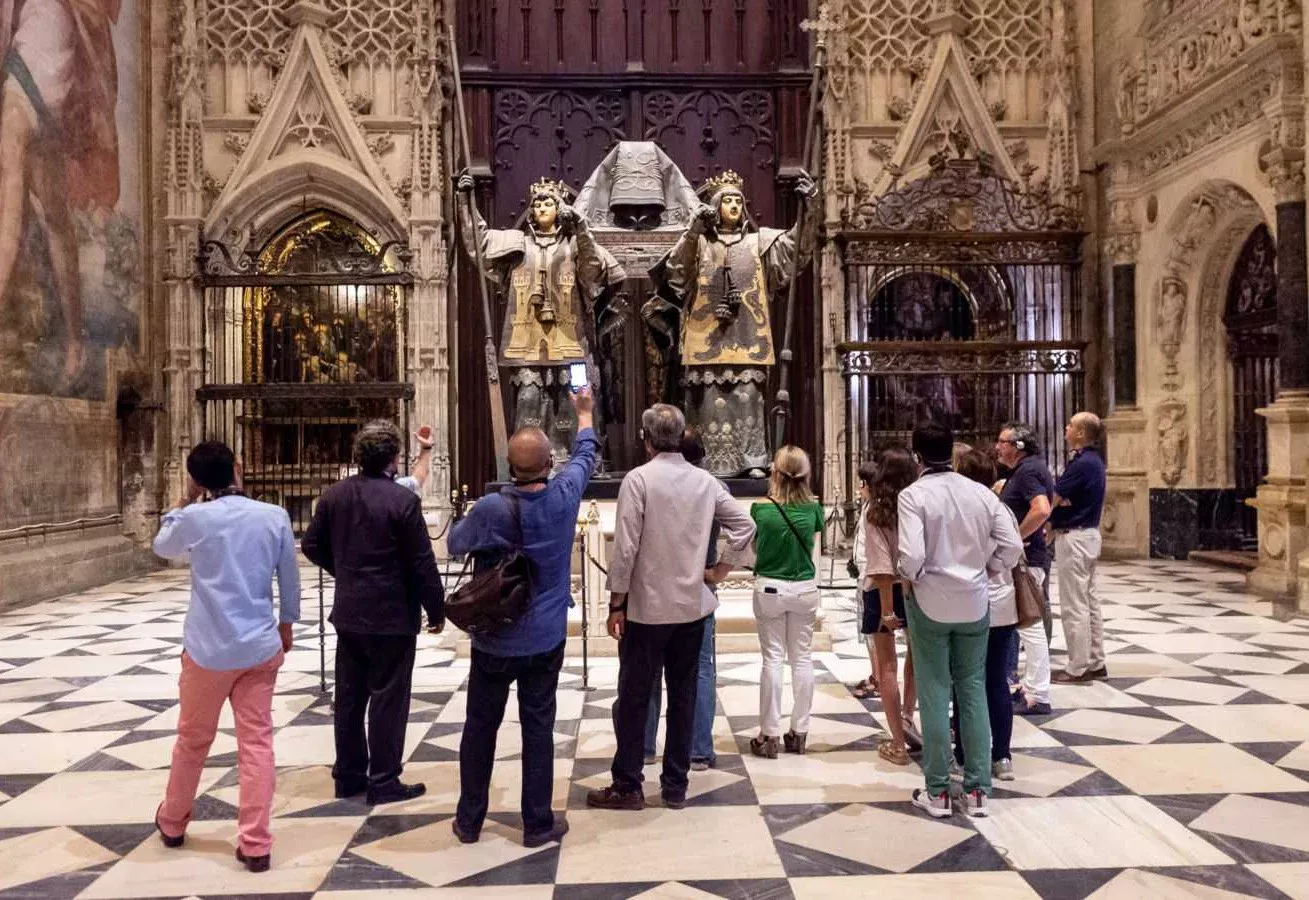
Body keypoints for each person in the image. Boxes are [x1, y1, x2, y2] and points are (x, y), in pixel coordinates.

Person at [446, 387, 600, 847]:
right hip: (545, 637)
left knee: (480, 728)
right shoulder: (564, 496)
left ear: (510, 468)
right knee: (538, 729)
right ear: (548, 463)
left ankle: (470, 820)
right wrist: (584, 413)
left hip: (495, 638)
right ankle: (536, 823)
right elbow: (587, 455)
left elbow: (455, 543)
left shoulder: (493, 507)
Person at [587, 403, 756, 810]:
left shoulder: (639, 480)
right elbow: (745, 525)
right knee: (683, 695)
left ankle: (628, 784)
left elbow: (626, 549)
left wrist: (616, 603)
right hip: (691, 608)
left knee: (634, 696)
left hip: (646, 610)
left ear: (645, 440)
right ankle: (675, 785)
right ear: (680, 438)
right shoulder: (705, 481)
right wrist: (718, 571)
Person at [152, 442, 299, 873]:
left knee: (193, 739)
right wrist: (286, 625)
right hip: (258, 645)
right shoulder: (273, 516)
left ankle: (173, 820)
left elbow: (162, 546)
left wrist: (183, 499)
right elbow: (289, 580)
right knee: (257, 744)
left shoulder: (194, 518)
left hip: (207, 650)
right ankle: (255, 842)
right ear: (239, 468)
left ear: (197, 479)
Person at [302, 420, 445, 806]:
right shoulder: (402, 501)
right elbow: (421, 562)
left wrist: (345, 569)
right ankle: (383, 779)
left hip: (350, 612)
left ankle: (348, 776)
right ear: (394, 458)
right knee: (388, 698)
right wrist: (436, 608)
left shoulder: (334, 496)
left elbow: (311, 545)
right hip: (393, 615)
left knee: (350, 697)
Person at [645, 169, 816, 477]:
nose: (735, 206)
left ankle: (751, 460)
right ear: (715, 206)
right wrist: (694, 230)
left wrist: (811, 206)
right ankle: (704, 459)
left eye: (739, 201)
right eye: (728, 201)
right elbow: (675, 274)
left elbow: (795, 247)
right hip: (706, 336)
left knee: (747, 399)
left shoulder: (760, 242)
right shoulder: (697, 243)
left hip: (747, 336)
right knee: (709, 403)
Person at [454, 171, 625, 465]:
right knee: (529, 403)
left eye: (549, 202)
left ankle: (583, 462)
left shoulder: (575, 245)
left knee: (578, 404)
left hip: (574, 346)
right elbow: (480, 245)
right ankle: (528, 463)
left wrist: (581, 227)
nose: (542, 208)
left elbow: (595, 271)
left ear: (560, 209)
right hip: (527, 348)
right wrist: (465, 201)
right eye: (537, 204)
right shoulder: (517, 245)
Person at [897, 421, 1023, 820]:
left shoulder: (913, 495)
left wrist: (913, 577)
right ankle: (978, 790)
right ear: (950, 451)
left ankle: (936, 791)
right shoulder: (981, 494)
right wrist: (989, 567)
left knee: (934, 691)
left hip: (930, 601)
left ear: (917, 456)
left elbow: (912, 555)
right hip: (974, 601)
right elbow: (1014, 545)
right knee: (973, 689)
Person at [644, 428, 723, 771]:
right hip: (697, 589)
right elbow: (745, 528)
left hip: (654, 592)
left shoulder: (649, 483)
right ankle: (699, 749)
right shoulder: (711, 486)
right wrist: (720, 570)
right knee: (700, 671)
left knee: (649, 672)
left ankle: (645, 746)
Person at [749, 446, 825, 758]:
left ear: (775, 472)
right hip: (805, 587)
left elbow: (754, 545)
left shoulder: (760, 508)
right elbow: (813, 537)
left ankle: (769, 735)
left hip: (770, 587)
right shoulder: (813, 509)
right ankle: (800, 732)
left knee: (772, 659)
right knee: (802, 659)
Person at [954, 449, 1019, 782]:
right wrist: (993, 567)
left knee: (966, 680)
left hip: (972, 602)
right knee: (995, 679)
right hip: (1000, 602)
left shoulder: (966, 505)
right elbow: (1013, 548)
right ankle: (1001, 756)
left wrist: (983, 568)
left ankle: (966, 755)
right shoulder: (999, 506)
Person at [862, 447, 919, 766]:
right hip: (915, 589)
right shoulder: (917, 506)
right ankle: (908, 717)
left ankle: (898, 742)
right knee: (916, 657)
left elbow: (882, 567)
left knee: (886, 666)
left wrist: (886, 610)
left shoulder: (877, 511)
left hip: (884, 594)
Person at [994, 423, 1054, 716]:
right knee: (1028, 624)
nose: (997, 447)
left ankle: (1038, 694)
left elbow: (1042, 509)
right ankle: (1032, 689)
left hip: (1027, 560)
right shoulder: (1026, 470)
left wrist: (1016, 537)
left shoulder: (1029, 470)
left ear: (1018, 446)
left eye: (1002, 441)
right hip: (1029, 558)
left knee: (1031, 626)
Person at [1051, 412, 1109, 683]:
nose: (1067, 427)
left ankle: (1078, 667)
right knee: (1089, 601)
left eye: (1071, 425)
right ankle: (1096, 661)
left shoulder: (1082, 463)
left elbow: (1054, 496)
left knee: (1074, 604)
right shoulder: (1093, 461)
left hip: (1074, 537)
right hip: (1088, 535)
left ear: (1082, 434)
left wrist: (1058, 503)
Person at [848, 462, 879, 700]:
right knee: (869, 633)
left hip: (871, 578)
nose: (859, 488)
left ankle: (878, 677)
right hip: (863, 574)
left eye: (862, 483)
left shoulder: (876, 509)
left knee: (873, 632)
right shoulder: (868, 506)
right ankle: (875, 673)